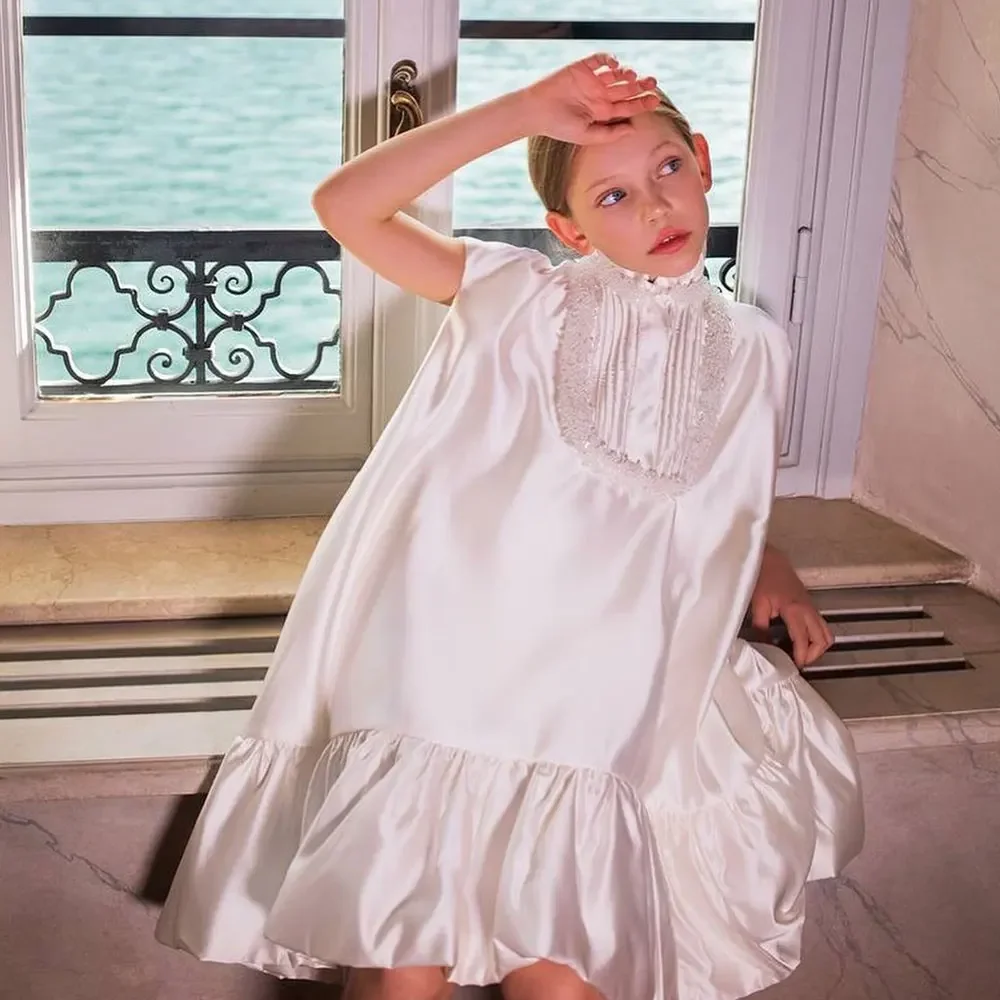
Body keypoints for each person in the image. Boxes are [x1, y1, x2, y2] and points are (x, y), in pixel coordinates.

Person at [156, 55, 864, 1000]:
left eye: (665, 170)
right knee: (402, 963)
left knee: (564, 975)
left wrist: (770, 558)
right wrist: (525, 111)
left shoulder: (753, 346)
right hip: (448, 673)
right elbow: (347, 205)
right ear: (567, 228)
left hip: (601, 692)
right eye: (612, 195)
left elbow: (718, 493)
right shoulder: (518, 293)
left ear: (700, 160)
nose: (655, 208)